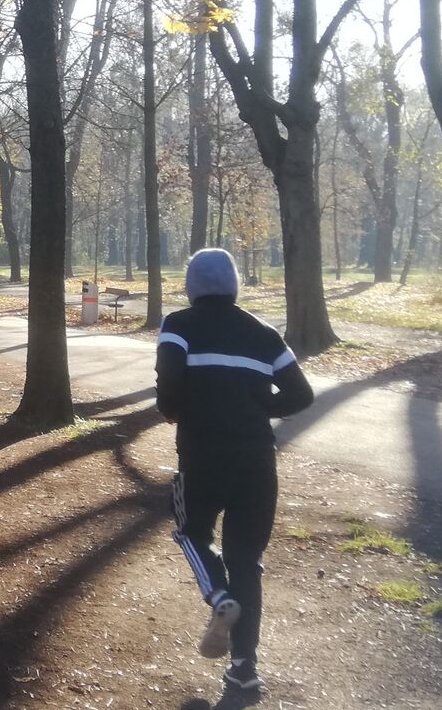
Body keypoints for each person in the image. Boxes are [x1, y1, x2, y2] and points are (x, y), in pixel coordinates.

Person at [155, 248, 314, 695]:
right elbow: (302, 395)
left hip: (202, 456)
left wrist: (173, 410)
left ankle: (220, 599)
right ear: (234, 285)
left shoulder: (179, 325)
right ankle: (245, 668)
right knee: (247, 561)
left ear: (192, 285)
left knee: (190, 532)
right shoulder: (264, 333)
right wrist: (262, 405)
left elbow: (169, 383)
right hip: (257, 463)